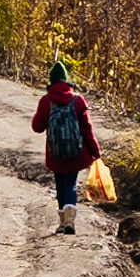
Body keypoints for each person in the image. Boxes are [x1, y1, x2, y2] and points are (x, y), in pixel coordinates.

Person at [29, 58, 100, 234]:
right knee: (71, 184)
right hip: (76, 151)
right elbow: (87, 129)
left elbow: (37, 127)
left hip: (55, 152)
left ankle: (62, 223)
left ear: (51, 81)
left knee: (60, 184)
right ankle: (69, 221)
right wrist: (95, 152)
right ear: (66, 80)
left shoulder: (46, 101)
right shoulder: (77, 101)